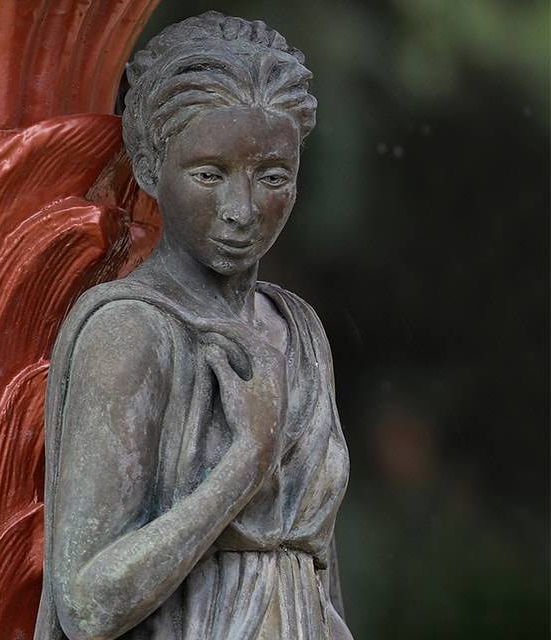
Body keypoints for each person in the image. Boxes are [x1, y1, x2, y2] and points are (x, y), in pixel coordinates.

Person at [35, 13, 352, 640]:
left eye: (272, 178)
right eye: (209, 175)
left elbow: (320, 571)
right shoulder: (132, 333)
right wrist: (244, 464)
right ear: (151, 167)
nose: (242, 211)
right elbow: (89, 605)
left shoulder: (300, 331)